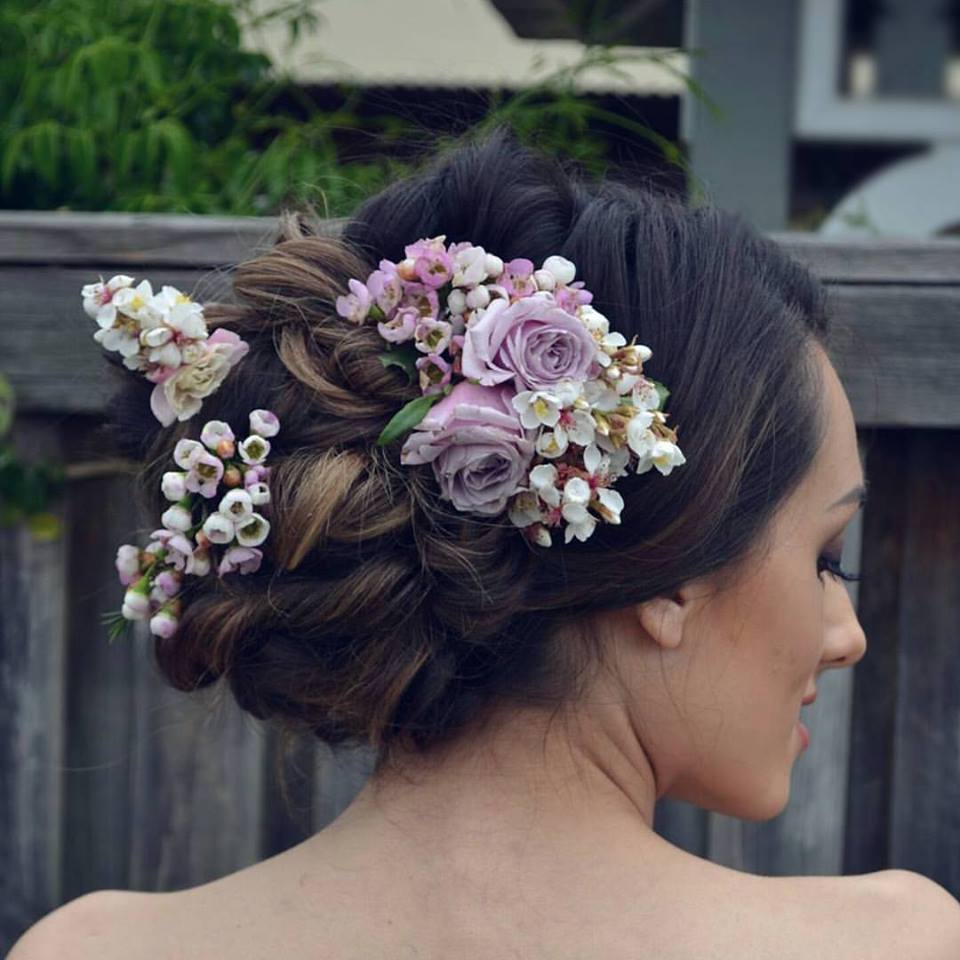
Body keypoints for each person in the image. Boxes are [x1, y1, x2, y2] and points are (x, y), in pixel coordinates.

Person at [11, 127, 960, 960]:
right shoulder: (896, 944)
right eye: (825, 557)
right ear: (674, 579)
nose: (846, 634)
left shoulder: (89, 951)